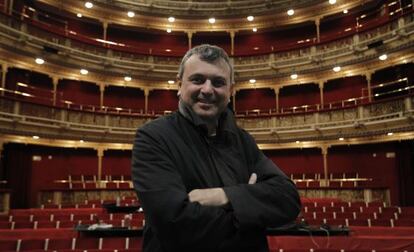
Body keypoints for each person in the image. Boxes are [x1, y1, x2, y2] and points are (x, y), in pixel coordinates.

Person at [131, 44, 301, 252]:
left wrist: (223, 196)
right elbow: (174, 224)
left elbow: (288, 199)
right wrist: (251, 209)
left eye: (218, 82)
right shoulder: (153, 137)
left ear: (230, 90)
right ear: (179, 84)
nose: (207, 90)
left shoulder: (243, 140)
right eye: (197, 80)